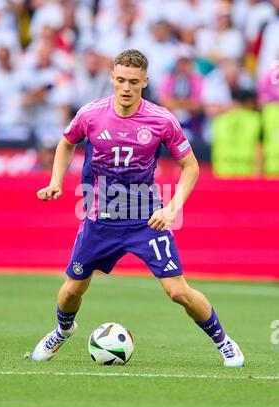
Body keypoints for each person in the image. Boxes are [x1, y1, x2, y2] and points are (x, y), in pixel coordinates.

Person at [31, 49, 244, 367]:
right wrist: (56, 181)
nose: (126, 87)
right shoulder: (91, 114)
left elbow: (191, 167)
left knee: (178, 292)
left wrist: (171, 209)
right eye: (120, 80)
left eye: (133, 81)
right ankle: (62, 330)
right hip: (100, 218)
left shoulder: (161, 119)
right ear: (112, 79)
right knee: (72, 290)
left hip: (146, 219)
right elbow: (66, 142)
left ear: (145, 81)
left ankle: (225, 343)